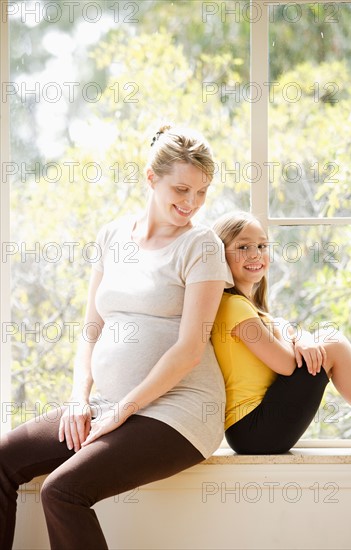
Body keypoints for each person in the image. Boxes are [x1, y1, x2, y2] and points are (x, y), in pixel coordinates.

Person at [0, 125, 233, 550]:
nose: (192, 203)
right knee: (3, 457)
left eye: (201, 193)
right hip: (109, 404)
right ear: (150, 178)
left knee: (62, 491)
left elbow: (189, 348)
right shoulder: (112, 236)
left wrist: (123, 410)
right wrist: (78, 398)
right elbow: (91, 329)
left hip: (178, 412)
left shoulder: (201, 245)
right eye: (181, 189)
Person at [211, 210, 351, 454]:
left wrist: (298, 336)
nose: (255, 254)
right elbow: (286, 364)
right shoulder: (232, 306)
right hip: (254, 428)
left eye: (262, 245)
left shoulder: (250, 308)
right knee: (332, 343)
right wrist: (291, 334)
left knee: (326, 338)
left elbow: (290, 334)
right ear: (220, 256)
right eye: (243, 247)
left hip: (256, 427)